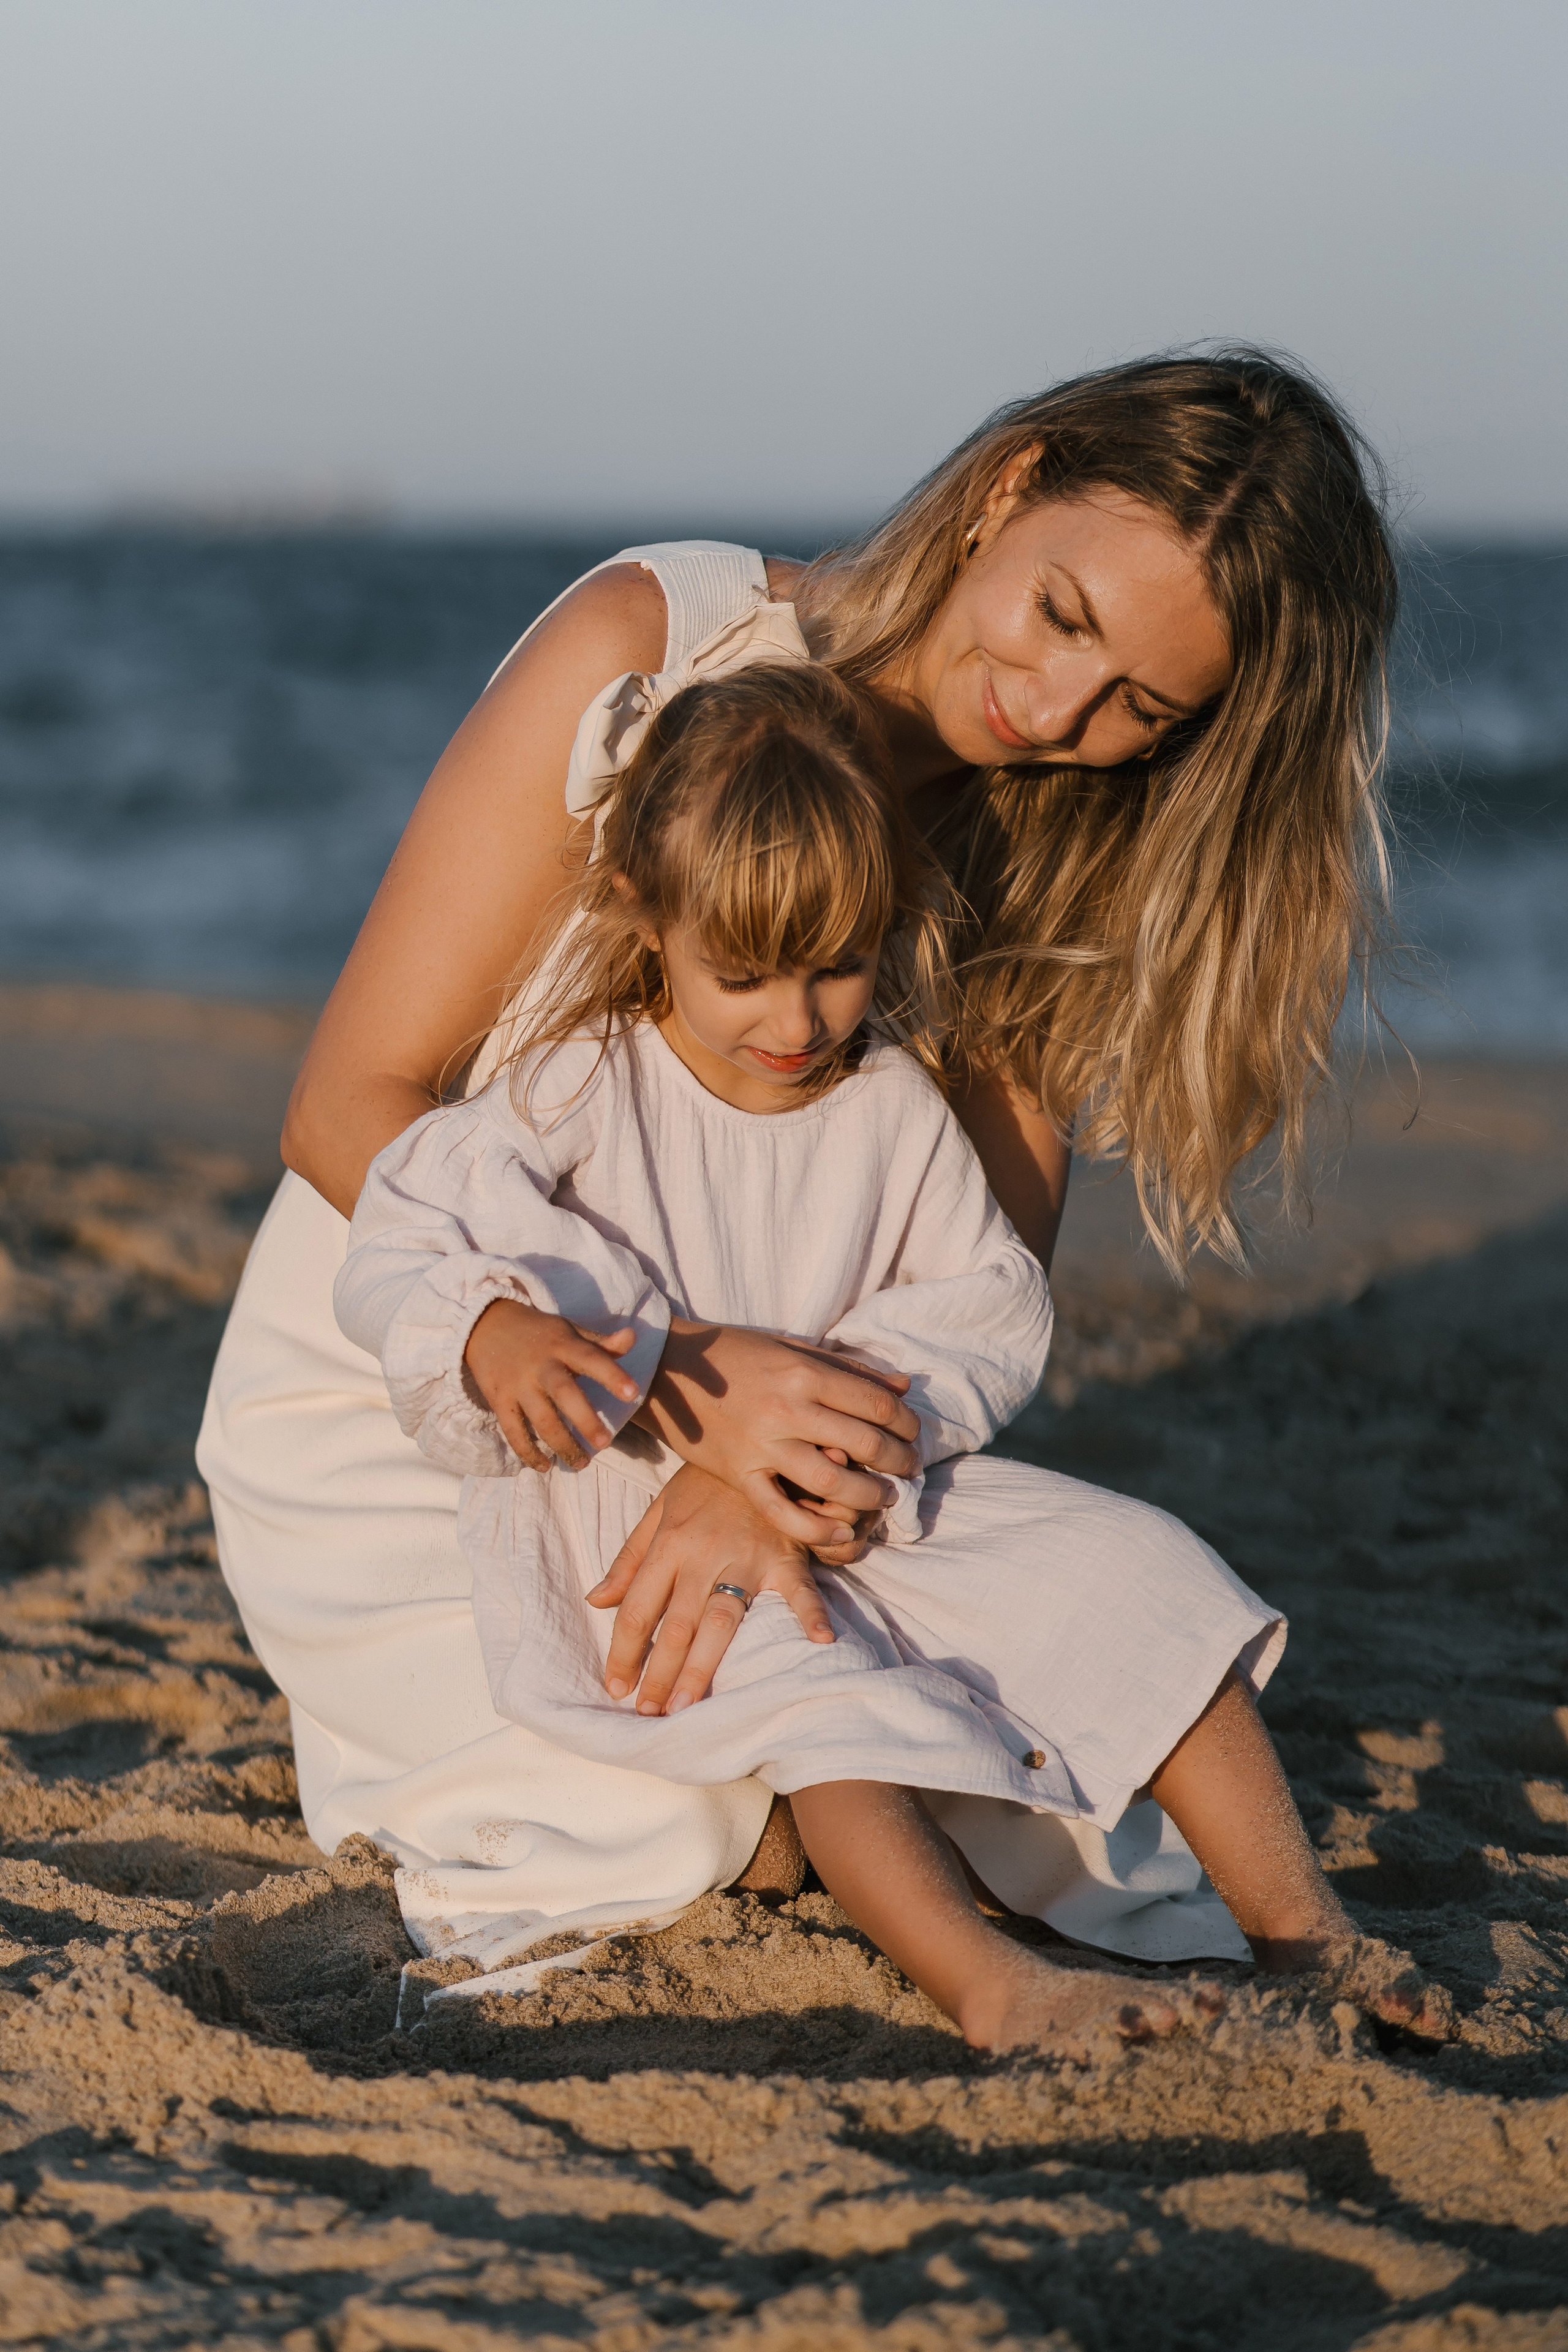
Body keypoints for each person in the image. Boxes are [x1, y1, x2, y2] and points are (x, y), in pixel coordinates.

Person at [197, 349, 1402, 1991]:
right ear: (1006, 488)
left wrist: (756, 1471)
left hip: (777, 1430)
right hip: (453, 1369)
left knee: (1045, 1719)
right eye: (1062, 614)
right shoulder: (659, 651)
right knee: (660, 1819)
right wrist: (676, 1385)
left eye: (1144, 707)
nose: (1057, 712)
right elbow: (348, 1106)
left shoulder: (1062, 843)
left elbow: (967, 1290)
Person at [333, 661, 1446, 2054]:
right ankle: (986, 1984)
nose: (794, 1023)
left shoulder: (892, 1109)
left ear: (888, 925)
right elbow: (400, 1237)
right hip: (645, 1547)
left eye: (838, 966)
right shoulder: (575, 1085)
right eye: (741, 975)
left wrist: (825, 1444)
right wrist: (493, 1332)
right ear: (643, 912)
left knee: (1144, 1577)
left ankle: (1305, 1934)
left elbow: (982, 1307)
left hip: (876, 1496)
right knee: (833, 1714)